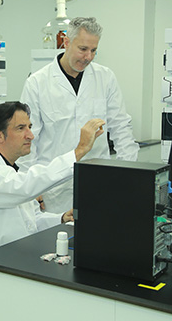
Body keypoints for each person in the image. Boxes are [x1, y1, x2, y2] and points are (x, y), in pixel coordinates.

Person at [0, 101, 105, 309]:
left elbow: (32, 220)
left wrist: (61, 218)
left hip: (17, 267)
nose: (31, 135)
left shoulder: (10, 169)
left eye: (29, 127)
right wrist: (79, 151)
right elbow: (23, 188)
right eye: (21, 128)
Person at [20, 16, 139, 213]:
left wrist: (128, 175)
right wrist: (30, 188)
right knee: (58, 232)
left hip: (98, 182)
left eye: (93, 50)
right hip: (55, 187)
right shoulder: (38, 83)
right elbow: (27, 139)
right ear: (66, 42)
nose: (88, 57)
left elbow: (121, 128)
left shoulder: (105, 77)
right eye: (83, 49)